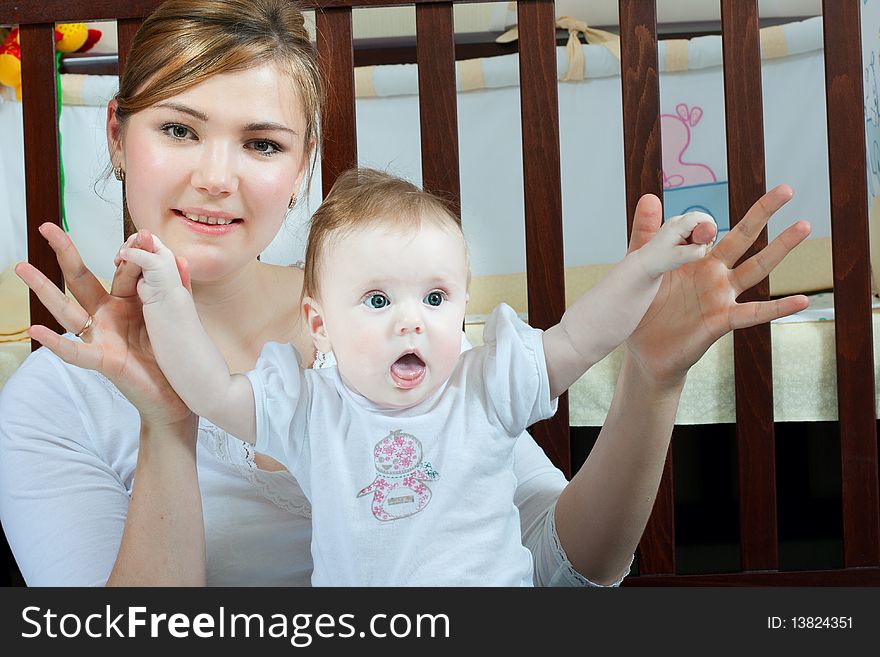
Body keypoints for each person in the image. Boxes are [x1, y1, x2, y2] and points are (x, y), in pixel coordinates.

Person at [0, 0, 811, 587]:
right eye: (178, 129)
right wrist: (167, 424)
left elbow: (567, 563)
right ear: (115, 133)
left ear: (303, 163)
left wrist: (652, 378)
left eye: (260, 142)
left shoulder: (392, 322)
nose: (216, 177)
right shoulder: (51, 402)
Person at [119, 167, 716, 585]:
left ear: (462, 305)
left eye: (434, 298)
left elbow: (582, 334)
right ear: (318, 323)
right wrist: (168, 299)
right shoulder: (309, 411)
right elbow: (207, 389)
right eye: (378, 301)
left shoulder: (486, 384)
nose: (412, 322)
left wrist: (645, 269)